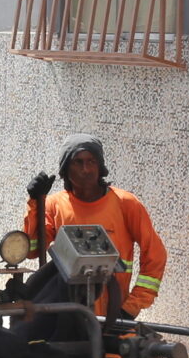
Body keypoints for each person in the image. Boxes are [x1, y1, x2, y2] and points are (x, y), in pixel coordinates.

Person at [36, 136, 168, 322]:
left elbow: (156, 255)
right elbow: (34, 249)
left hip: (113, 317)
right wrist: (35, 203)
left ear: (100, 167)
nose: (86, 169)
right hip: (65, 316)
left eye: (92, 161)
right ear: (66, 168)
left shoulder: (125, 203)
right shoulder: (53, 205)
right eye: (78, 162)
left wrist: (131, 307)